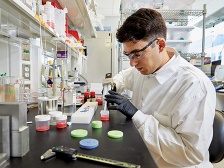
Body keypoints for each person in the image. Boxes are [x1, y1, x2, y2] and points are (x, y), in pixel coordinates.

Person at [104, 8, 216, 168]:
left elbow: (191, 154)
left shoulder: (194, 86)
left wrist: (138, 116)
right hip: (143, 157)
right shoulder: (143, 70)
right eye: (129, 55)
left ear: (161, 45)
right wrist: (114, 85)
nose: (132, 62)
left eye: (137, 54)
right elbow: (124, 76)